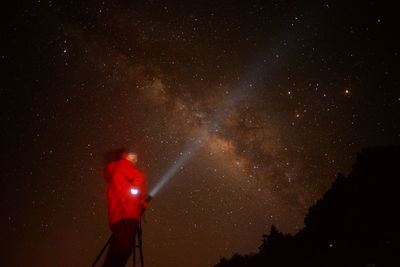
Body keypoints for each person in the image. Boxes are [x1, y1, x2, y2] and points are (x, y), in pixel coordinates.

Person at [102, 149, 149, 267]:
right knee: (122, 250)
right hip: (128, 212)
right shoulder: (123, 165)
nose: (136, 160)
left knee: (118, 248)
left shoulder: (113, 171)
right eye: (133, 156)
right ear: (124, 156)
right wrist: (141, 201)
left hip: (117, 215)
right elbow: (139, 178)